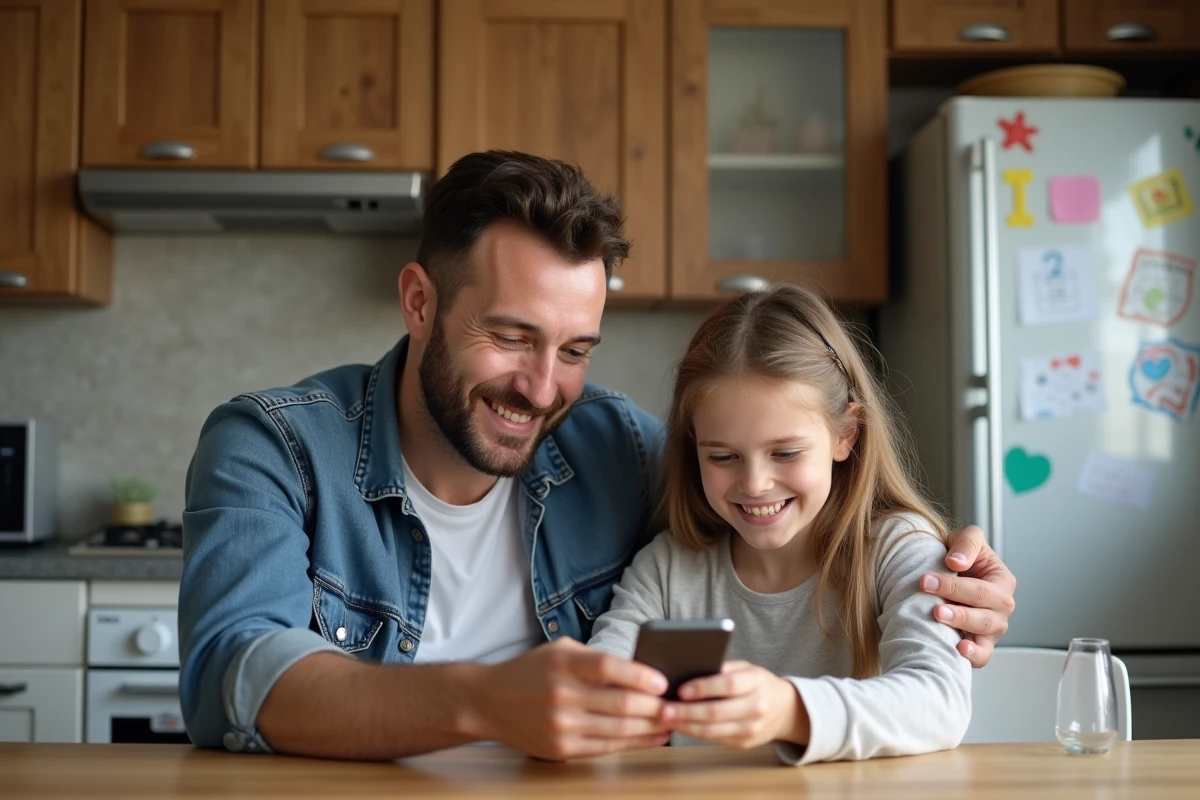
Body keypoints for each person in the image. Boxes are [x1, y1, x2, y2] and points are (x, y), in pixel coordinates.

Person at [178, 150, 1015, 762]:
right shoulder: (274, 446)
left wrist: (959, 576)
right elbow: (231, 677)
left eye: (575, 350)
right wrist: (481, 702)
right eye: (512, 337)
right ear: (420, 303)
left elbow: (787, 506)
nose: (544, 389)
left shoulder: (619, 449)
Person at [588, 283, 970, 763]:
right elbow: (599, 684)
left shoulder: (899, 548)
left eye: (785, 453)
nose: (755, 484)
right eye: (722, 456)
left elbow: (940, 703)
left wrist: (789, 710)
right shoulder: (666, 569)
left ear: (846, 434)